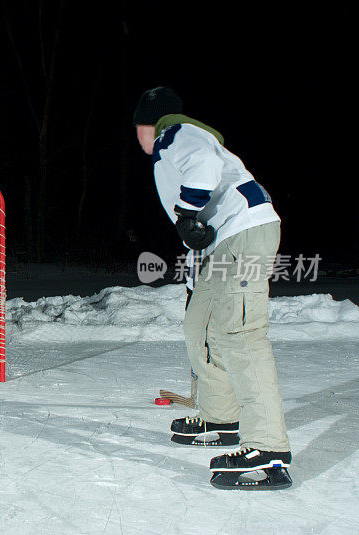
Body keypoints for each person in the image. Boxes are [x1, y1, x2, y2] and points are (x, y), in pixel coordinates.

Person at [133, 87, 292, 488]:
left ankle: (269, 449)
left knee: (240, 334)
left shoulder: (175, 133)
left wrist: (186, 213)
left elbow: (202, 168)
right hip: (223, 243)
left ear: (146, 124)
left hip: (244, 232)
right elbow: (198, 233)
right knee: (199, 327)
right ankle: (221, 418)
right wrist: (193, 276)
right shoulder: (170, 150)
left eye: (137, 127)